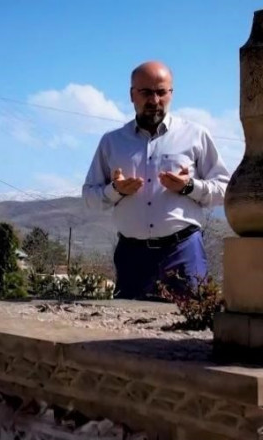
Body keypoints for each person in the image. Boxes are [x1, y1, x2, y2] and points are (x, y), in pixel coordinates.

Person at [82, 61, 230, 300]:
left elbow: (225, 189)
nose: (154, 100)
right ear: (132, 95)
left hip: (183, 253)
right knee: (126, 329)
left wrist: (190, 187)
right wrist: (115, 190)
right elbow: (89, 198)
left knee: (188, 331)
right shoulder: (111, 142)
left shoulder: (196, 135)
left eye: (161, 92)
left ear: (171, 94)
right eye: (146, 92)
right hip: (131, 256)